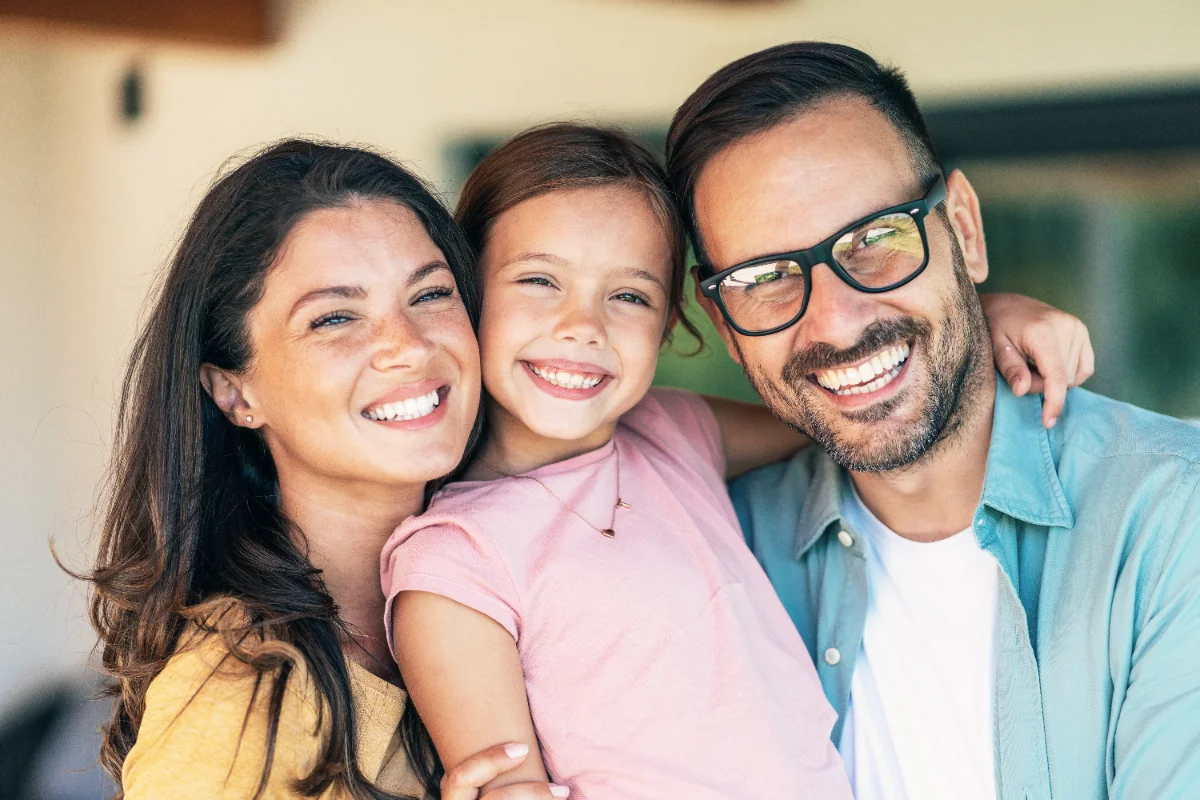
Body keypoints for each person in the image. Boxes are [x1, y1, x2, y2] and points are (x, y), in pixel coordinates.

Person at [381, 124, 1093, 799]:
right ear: (466, 292)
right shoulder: (454, 562)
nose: (583, 326)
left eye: (629, 295)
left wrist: (977, 320)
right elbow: (506, 785)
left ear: (669, 327)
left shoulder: (671, 432)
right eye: (538, 281)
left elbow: (852, 409)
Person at [666, 42, 1200, 800]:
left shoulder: (1173, 516)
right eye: (765, 279)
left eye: (875, 240)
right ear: (724, 322)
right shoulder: (719, 550)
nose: (837, 320)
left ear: (965, 231)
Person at [85, 140, 568, 800]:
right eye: (335, 317)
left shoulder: (525, 575)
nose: (407, 345)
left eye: (430, 294)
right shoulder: (233, 689)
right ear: (235, 392)